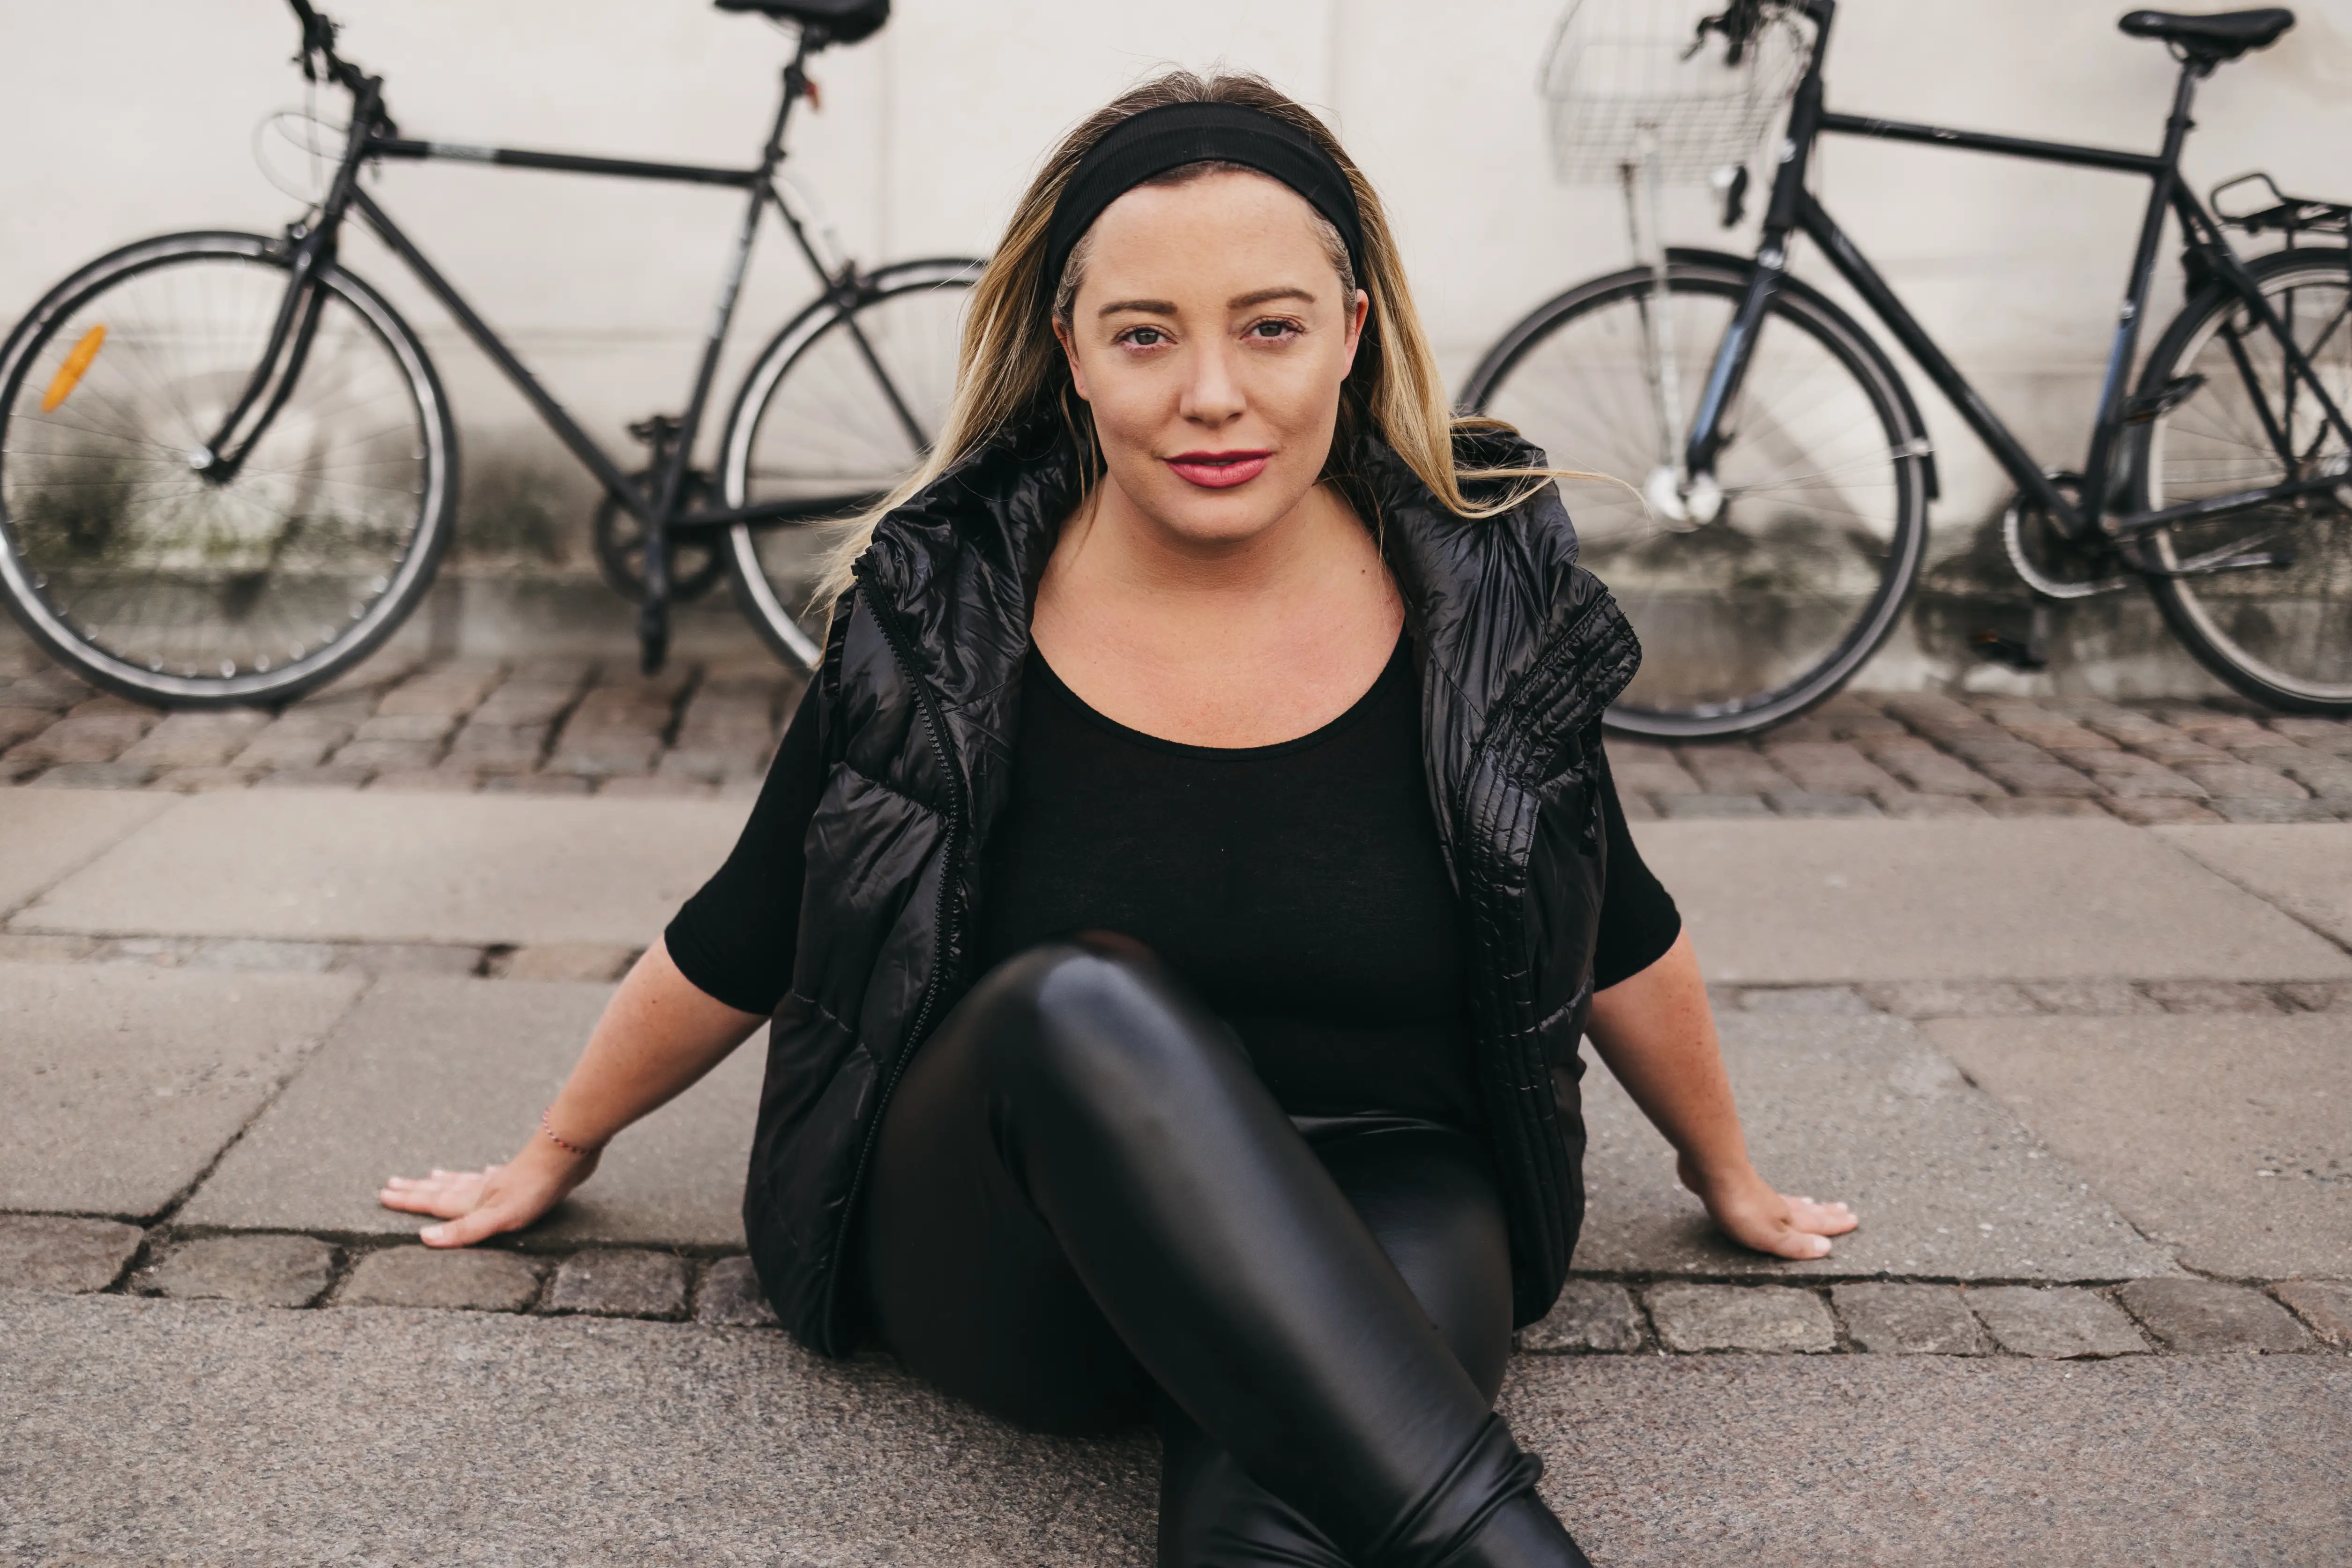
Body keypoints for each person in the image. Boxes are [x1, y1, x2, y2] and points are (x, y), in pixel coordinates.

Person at [381, 70, 1856, 1568]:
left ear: (1351, 334)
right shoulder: (943, 606)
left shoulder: (1483, 597)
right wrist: (556, 1146)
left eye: (1270, 328)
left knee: (1285, 1501)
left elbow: (1611, 912)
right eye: (1145, 335)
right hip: (1018, 1242)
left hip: (1389, 1180)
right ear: (1071, 352)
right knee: (1078, 1007)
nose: (1210, 395)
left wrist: (1722, 1173)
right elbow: (750, 920)